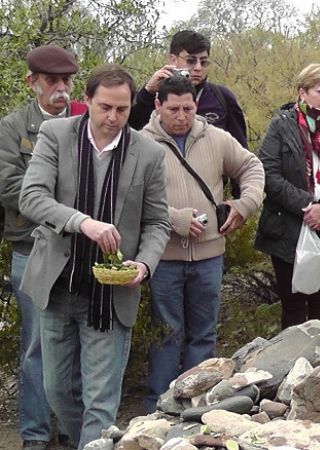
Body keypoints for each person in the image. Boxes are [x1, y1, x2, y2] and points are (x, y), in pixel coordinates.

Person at [18, 64, 170, 449]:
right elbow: (31, 197)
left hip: (111, 295)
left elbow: (157, 223)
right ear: (86, 101)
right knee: (56, 390)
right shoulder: (55, 135)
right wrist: (82, 222)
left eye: (121, 109)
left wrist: (145, 263)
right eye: (105, 107)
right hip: (58, 285)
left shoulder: (149, 153)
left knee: (100, 405)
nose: (113, 117)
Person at [139, 75, 264, 412]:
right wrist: (175, 219)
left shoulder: (216, 138)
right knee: (166, 333)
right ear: (158, 106)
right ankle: (158, 407)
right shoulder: (141, 144)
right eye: (174, 109)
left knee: (204, 333)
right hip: (163, 256)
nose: (182, 116)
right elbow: (132, 196)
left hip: (209, 254)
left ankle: (196, 403)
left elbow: (252, 166)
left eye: (188, 108)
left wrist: (244, 205)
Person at [0, 45, 85, 450]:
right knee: (36, 346)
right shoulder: (12, 127)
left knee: (81, 342)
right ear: (31, 82)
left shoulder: (88, 120)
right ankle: (35, 437)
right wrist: (66, 210)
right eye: (52, 81)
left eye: (67, 81)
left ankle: (74, 432)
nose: (62, 89)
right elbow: (9, 187)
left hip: (83, 251)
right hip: (31, 248)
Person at [254, 63, 320, 329]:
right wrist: (307, 206)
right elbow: (267, 172)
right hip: (288, 225)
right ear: (302, 93)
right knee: (293, 304)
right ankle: (293, 367)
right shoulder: (281, 126)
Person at [128, 30, 247, 148]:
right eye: (191, 61)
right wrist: (147, 92)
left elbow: (241, 150)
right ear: (173, 59)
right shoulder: (153, 97)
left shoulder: (222, 97)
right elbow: (129, 135)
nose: (198, 68)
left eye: (204, 62)